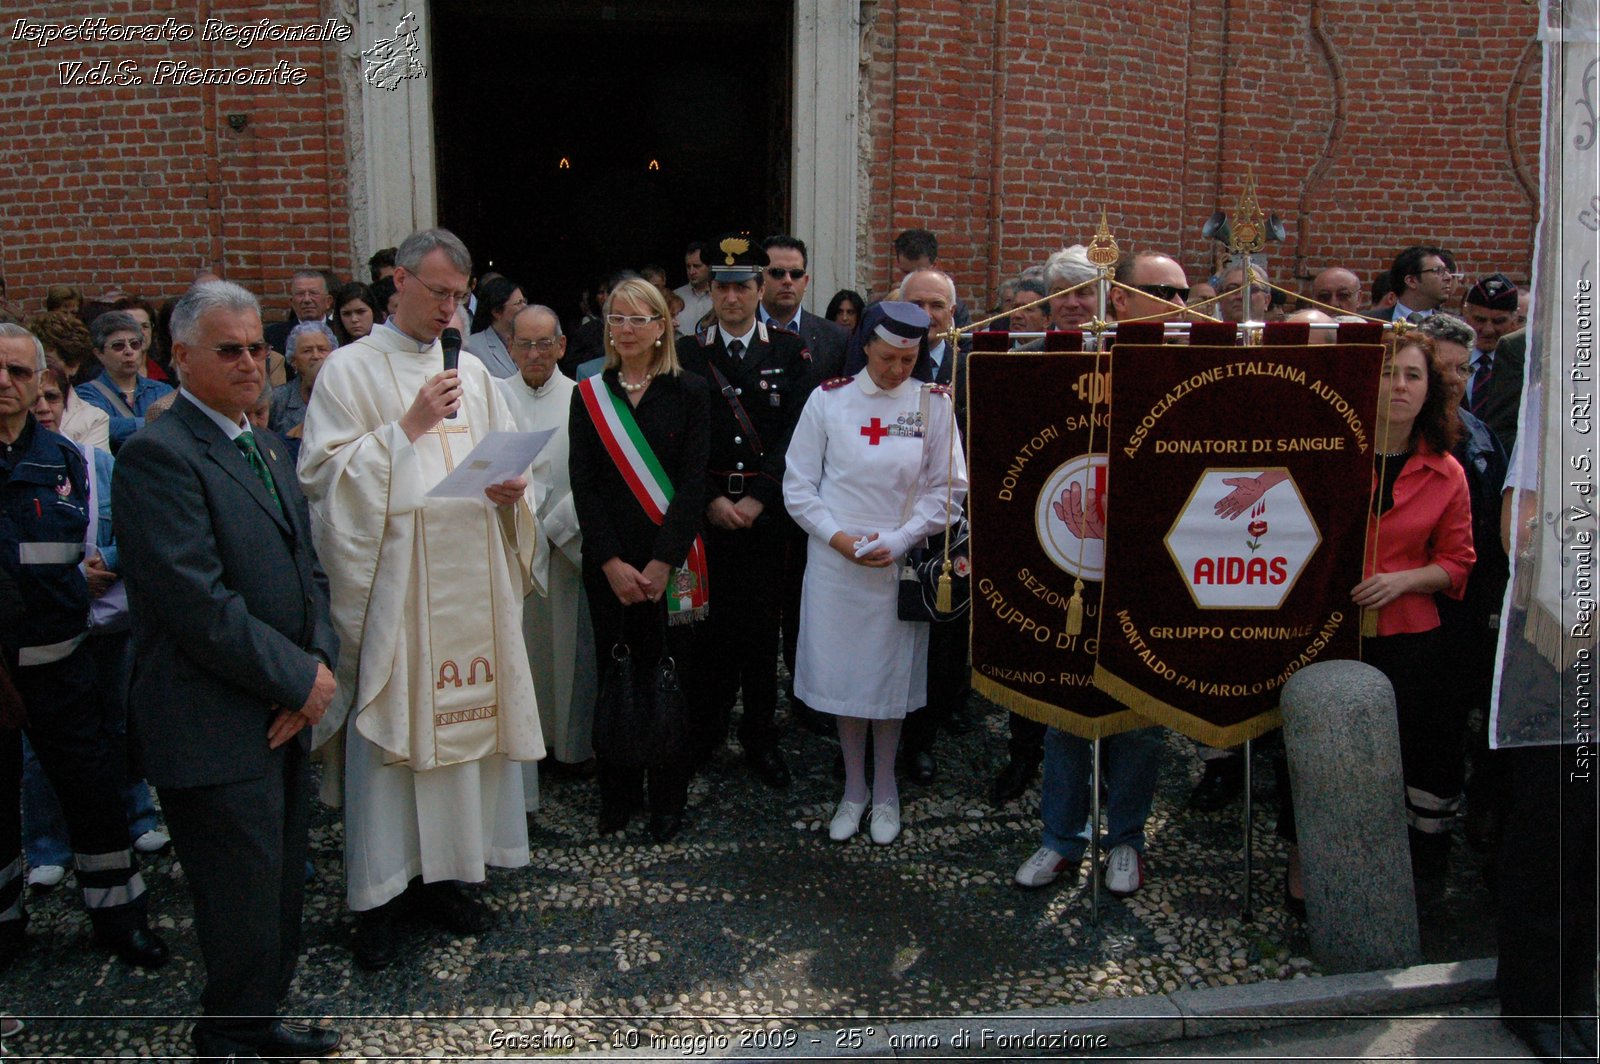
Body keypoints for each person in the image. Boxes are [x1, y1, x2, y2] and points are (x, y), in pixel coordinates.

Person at [298, 227, 544, 971]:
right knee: (394, 743)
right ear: (397, 282)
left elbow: (507, 465)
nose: (448, 308)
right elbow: (325, 480)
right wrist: (407, 428)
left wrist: (512, 492)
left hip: (472, 578)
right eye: (437, 292)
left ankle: (451, 877)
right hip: (400, 593)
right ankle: (380, 897)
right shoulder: (349, 371)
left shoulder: (471, 370)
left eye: (458, 297)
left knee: (465, 743)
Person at [114, 282, 342, 1060]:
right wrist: (298, 681)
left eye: (258, 348)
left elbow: (308, 573)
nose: (251, 364)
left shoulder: (268, 444)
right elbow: (196, 603)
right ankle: (226, 1037)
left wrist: (316, 670)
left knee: (278, 886)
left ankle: (258, 1021)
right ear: (178, 358)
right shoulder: (158, 455)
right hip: (212, 718)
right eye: (230, 350)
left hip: (280, 710)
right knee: (236, 896)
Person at [0, 323, 168, 971]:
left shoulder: (64, 458)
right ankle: (6, 928)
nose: (7, 384)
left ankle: (118, 918)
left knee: (95, 796)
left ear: (42, 381)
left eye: (20, 372)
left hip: (65, 667)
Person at [784, 302, 966, 845]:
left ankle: (886, 788)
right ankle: (854, 788)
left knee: (887, 682)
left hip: (896, 560)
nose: (896, 370)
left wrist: (902, 537)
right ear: (865, 346)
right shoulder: (829, 400)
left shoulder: (932, 406)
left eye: (908, 359)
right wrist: (840, 539)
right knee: (845, 680)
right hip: (837, 560)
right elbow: (798, 487)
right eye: (887, 357)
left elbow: (948, 490)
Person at [569, 278, 709, 841]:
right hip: (611, 567)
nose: (625, 329)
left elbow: (693, 485)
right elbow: (585, 485)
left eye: (637, 319)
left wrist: (659, 562)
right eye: (616, 318)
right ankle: (618, 793)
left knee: (671, 676)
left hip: (670, 563)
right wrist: (608, 561)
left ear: (661, 327)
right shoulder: (589, 394)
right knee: (616, 673)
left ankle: (668, 796)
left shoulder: (691, 391)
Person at [676, 237, 812, 789]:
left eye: (743, 286)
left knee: (761, 632)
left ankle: (760, 736)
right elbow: (682, 438)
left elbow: (798, 435)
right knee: (704, 629)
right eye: (722, 286)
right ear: (709, 290)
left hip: (764, 516)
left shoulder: (790, 351)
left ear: (760, 290)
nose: (732, 296)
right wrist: (710, 498)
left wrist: (760, 498)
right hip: (706, 514)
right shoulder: (687, 353)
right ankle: (705, 732)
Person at [1350, 334, 1475, 878]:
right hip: (1337, 632)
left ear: (1431, 390)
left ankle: (1414, 872)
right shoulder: (1330, 456)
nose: (1398, 385)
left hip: (1412, 636)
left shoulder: (1447, 471)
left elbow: (1457, 562)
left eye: (1412, 375)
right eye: (1385, 373)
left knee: (1413, 749)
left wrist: (1401, 581)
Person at [497, 305, 598, 781]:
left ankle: (571, 746)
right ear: (510, 348)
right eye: (524, 344)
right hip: (512, 549)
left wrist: (556, 526)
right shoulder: (492, 399)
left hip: (566, 547)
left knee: (571, 649)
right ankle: (525, 749)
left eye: (544, 344)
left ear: (561, 346)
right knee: (524, 650)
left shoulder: (585, 399)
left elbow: (596, 476)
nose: (534, 354)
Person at [74, 310, 173, 451]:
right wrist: (157, 423)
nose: (129, 351)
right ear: (99, 354)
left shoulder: (162, 390)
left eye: (135, 344)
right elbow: (104, 428)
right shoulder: (86, 394)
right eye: (118, 346)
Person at [270, 321, 336, 462]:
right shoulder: (278, 399)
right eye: (307, 351)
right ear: (293, 361)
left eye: (322, 349)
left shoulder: (346, 395)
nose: (316, 356)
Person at [466, 276, 528, 379]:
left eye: (524, 301)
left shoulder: (531, 341)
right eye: (519, 303)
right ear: (497, 312)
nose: (525, 307)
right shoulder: (472, 347)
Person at [265, 269, 334, 355]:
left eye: (314, 293)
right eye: (300, 294)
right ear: (292, 302)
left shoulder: (341, 331)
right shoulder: (273, 336)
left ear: (328, 301)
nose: (307, 299)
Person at [672, 241, 713, 337]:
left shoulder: (721, 296)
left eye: (697, 266)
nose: (691, 271)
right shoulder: (675, 296)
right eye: (688, 266)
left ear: (709, 266)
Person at [332, 281, 382, 347]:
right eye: (347, 314)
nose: (354, 319)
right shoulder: (331, 347)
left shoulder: (390, 345)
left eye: (361, 312)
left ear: (373, 311)